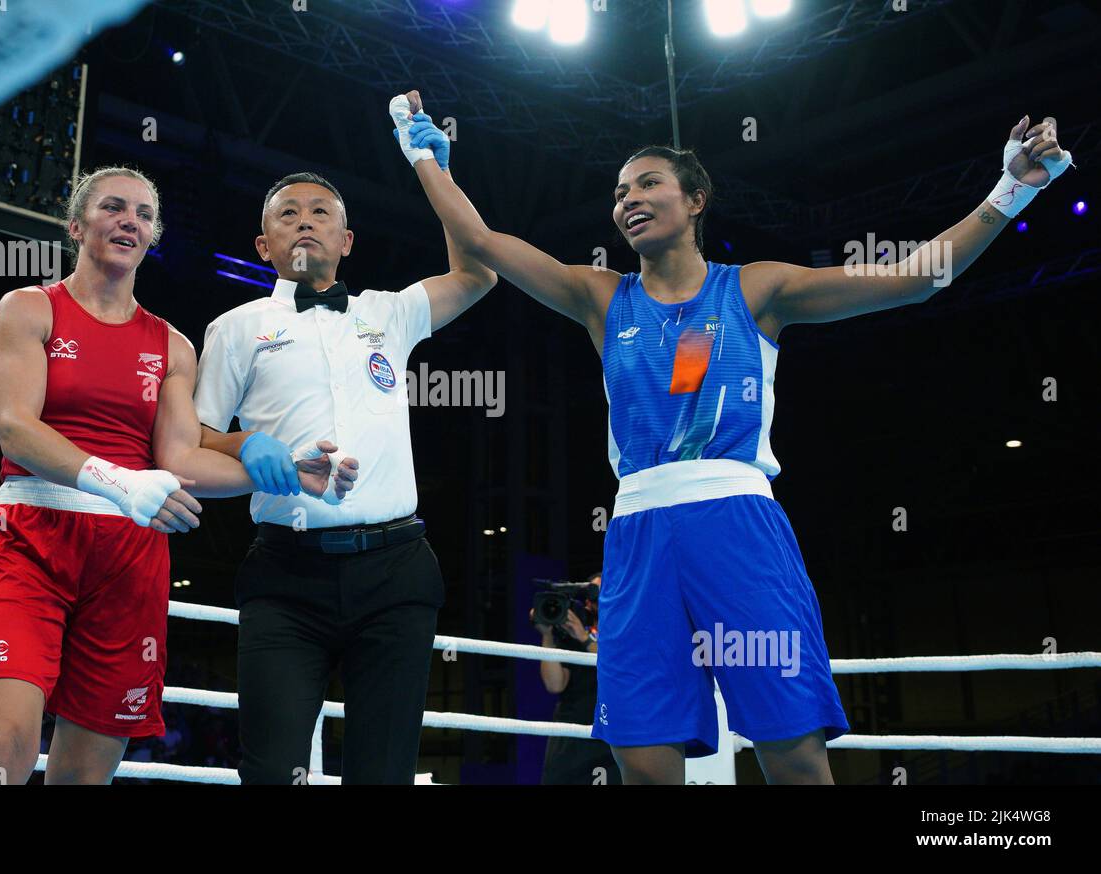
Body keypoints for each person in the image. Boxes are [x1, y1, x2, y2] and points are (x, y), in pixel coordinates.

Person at [395, 97, 1073, 785]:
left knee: (794, 755)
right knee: (644, 763)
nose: (628, 199)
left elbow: (913, 279)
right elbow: (480, 243)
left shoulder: (757, 289)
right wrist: (425, 154)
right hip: (636, 536)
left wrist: (1010, 188)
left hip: (738, 525)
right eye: (619, 192)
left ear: (695, 199)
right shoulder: (600, 296)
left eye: (648, 183)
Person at [0, 166, 355, 786]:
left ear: (153, 236)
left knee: (85, 778)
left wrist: (282, 475)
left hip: (129, 559)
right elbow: (15, 429)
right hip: (33, 540)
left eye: (142, 214)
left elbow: (179, 461)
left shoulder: (171, 345)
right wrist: (119, 481)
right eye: (113, 208)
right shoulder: (29, 309)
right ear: (76, 225)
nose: (128, 220)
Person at [194, 101, 497, 782]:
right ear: (263, 245)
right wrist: (246, 445)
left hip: (395, 570)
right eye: (287, 213)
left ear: (348, 240)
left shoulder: (388, 312)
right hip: (284, 575)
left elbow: (479, 275)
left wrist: (435, 173)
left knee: (382, 776)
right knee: (269, 772)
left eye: (320, 211)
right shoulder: (234, 328)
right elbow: (194, 439)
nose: (304, 219)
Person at [530, 574, 621, 785]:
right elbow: (554, 684)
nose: (600, 597)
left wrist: (584, 638)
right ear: (588, 603)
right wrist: (548, 635)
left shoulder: (626, 635)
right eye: (594, 593)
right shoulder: (571, 636)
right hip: (570, 739)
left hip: (610, 738)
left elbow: (616, 667)